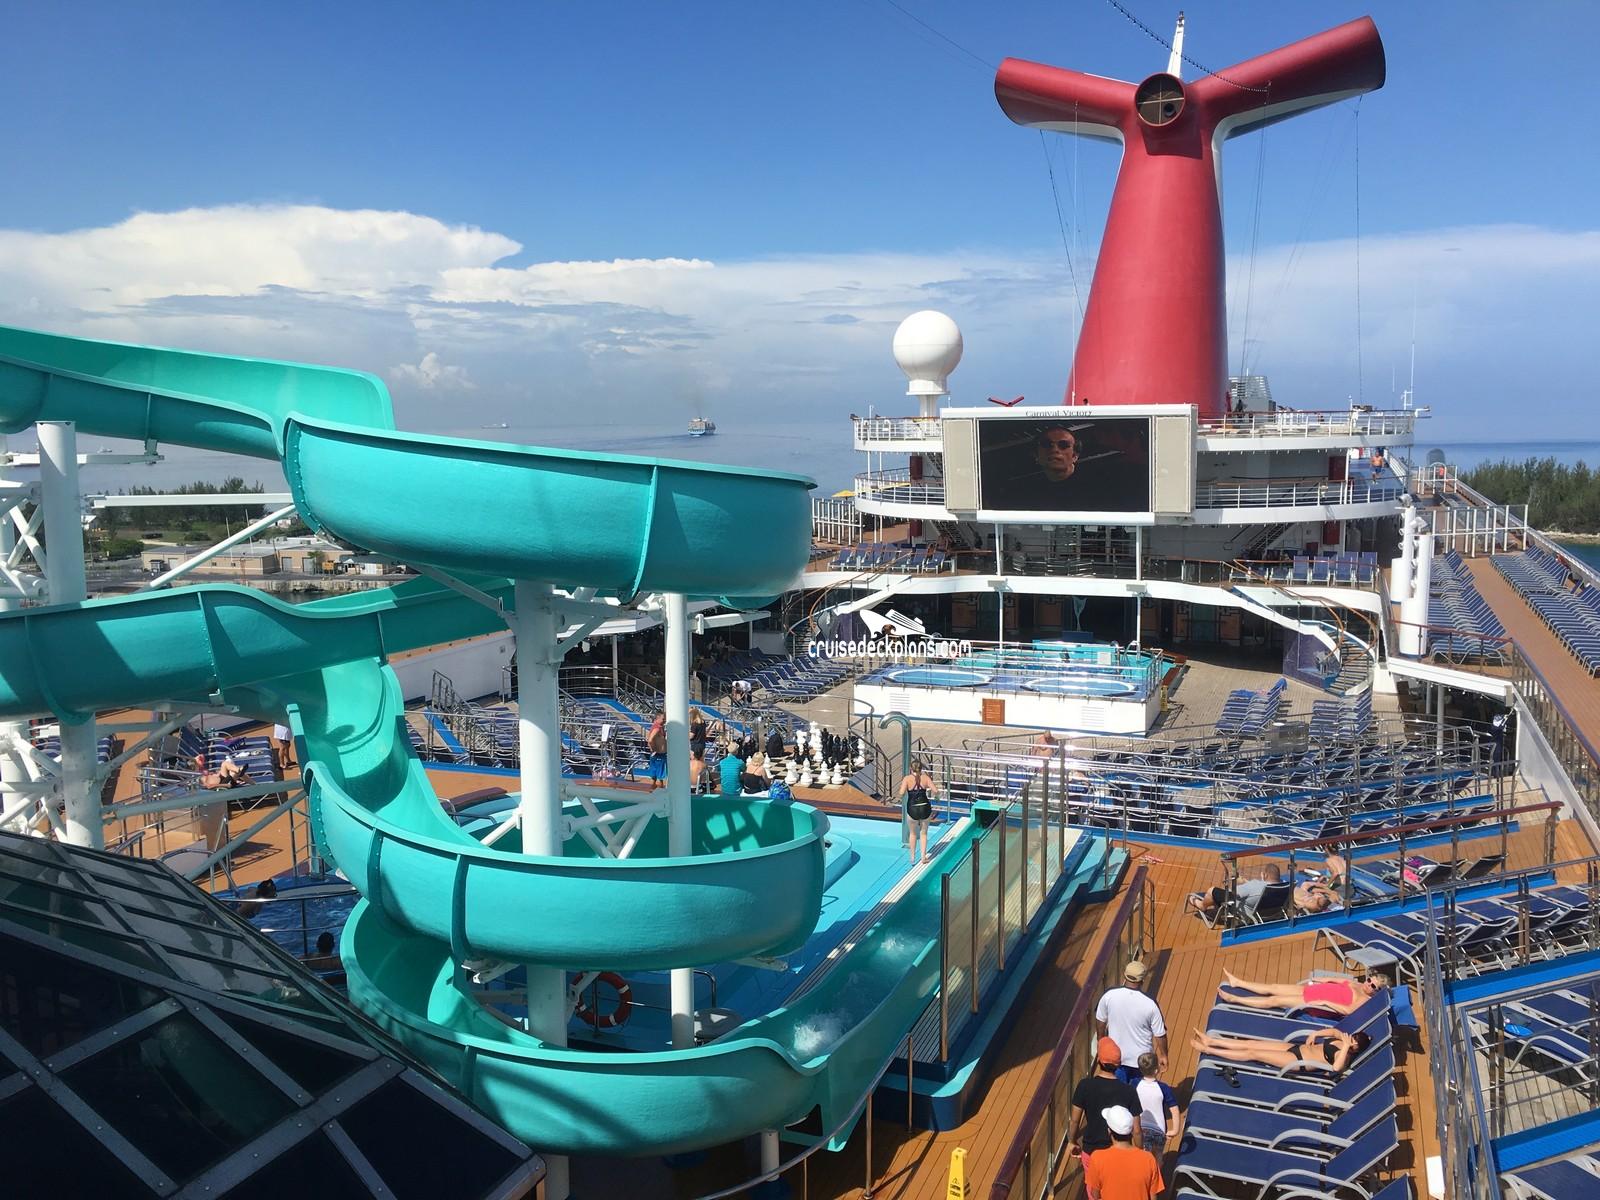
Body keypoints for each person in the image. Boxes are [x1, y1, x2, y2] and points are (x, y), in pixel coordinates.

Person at [1068, 1038, 1144, 1164]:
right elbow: (1137, 1130)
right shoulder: (1129, 1091)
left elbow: (1075, 1121)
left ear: (1099, 1060)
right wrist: (1139, 1154)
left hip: (1092, 1151)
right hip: (1120, 1154)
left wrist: (1072, 1141)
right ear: (1118, 1065)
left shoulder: (1085, 1086)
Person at [1096, 961, 1168, 1082]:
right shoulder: (1150, 1003)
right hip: (1142, 1062)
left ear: (1125, 976)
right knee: (1140, 1093)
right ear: (1142, 980)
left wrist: (1101, 1043)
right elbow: (1160, 1034)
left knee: (1119, 1093)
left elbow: (1100, 1022)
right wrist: (1164, 1055)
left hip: (1117, 1059)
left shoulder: (1109, 995)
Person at [1191, 1027, 1370, 1075]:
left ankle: (1209, 1050)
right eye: (1353, 1037)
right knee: (1253, 1043)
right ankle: (1211, 1040)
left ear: (1356, 1050)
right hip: (1298, 1048)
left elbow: (1336, 1068)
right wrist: (1316, 1034)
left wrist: (1346, 1047)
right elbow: (1333, 1031)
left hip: (1297, 1061)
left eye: (1354, 1043)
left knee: (1253, 1054)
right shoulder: (1342, 1038)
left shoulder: (1344, 1056)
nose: (1351, 1041)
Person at [1083, 1104, 1164, 1200]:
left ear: (1109, 1131)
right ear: (1131, 1131)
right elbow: (1153, 1196)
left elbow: (1095, 1195)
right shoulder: (1149, 1159)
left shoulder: (1097, 1158)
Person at [1217, 970, 1387, 1015]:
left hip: (1315, 1002)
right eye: (1370, 980)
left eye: (1374, 987)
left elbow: (1347, 1011)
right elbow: (1338, 981)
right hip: (1312, 990)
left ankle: (1235, 999)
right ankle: (1238, 982)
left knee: (1275, 1000)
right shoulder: (1358, 984)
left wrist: (1325, 1003)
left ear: (1377, 992)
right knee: (1274, 987)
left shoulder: (1364, 1000)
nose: (1369, 985)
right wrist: (1321, 979)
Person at [1188, 862, 1283, 917]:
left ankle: (1202, 905)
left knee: (1212, 890)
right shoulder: (1283, 886)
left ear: (1265, 875)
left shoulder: (1256, 884)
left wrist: (1235, 883)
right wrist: (1245, 881)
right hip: (1271, 911)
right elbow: (1254, 889)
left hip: (1246, 911)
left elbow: (1235, 893)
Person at [1133, 1053, 1180, 1151]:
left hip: (1140, 1128)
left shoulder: (1135, 1084)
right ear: (1156, 1070)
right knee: (1158, 1155)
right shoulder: (1163, 1088)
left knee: (1143, 1155)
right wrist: (1175, 1130)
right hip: (1159, 1130)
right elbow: (1174, 1109)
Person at [898, 759, 936, 865]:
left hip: (912, 808)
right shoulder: (925, 778)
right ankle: (923, 857)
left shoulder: (907, 779)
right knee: (923, 833)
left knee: (913, 833)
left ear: (911, 768)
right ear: (921, 768)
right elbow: (935, 790)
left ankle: (912, 858)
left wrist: (903, 791)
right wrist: (937, 797)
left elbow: (901, 793)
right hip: (925, 807)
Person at [688, 709, 710, 793]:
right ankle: (702, 781)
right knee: (701, 764)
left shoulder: (694, 724)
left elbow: (691, 736)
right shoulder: (703, 723)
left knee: (694, 764)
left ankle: (693, 783)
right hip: (702, 745)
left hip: (695, 745)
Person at [644, 712, 667, 789]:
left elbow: (649, 739)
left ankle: (654, 787)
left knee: (654, 771)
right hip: (659, 754)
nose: (665, 720)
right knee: (660, 773)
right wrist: (653, 749)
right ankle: (660, 788)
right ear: (657, 718)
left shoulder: (657, 727)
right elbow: (650, 740)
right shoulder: (657, 728)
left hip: (657, 754)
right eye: (663, 719)